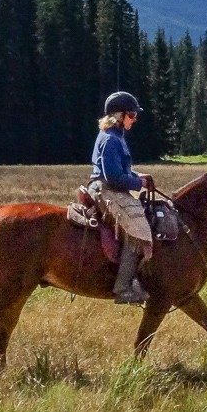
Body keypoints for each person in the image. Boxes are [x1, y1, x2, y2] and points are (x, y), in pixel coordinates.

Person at [90, 91, 155, 305]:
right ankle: (123, 287)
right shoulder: (111, 140)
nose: (134, 120)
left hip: (109, 187)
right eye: (132, 115)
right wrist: (139, 183)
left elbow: (119, 170)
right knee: (139, 231)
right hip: (107, 190)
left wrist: (137, 175)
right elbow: (114, 177)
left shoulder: (115, 136)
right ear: (118, 116)